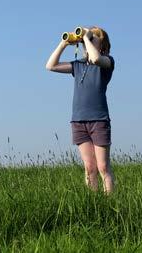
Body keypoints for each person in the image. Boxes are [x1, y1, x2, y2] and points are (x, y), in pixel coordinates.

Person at [45, 26, 116, 194]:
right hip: (78, 121)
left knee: (103, 167)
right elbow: (50, 66)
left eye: (92, 40)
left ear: (102, 44)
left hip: (99, 120)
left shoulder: (107, 62)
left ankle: (109, 203)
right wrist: (63, 43)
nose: (87, 43)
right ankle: (92, 203)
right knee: (89, 167)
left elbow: (96, 58)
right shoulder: (78, 66)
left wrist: (86, 36)